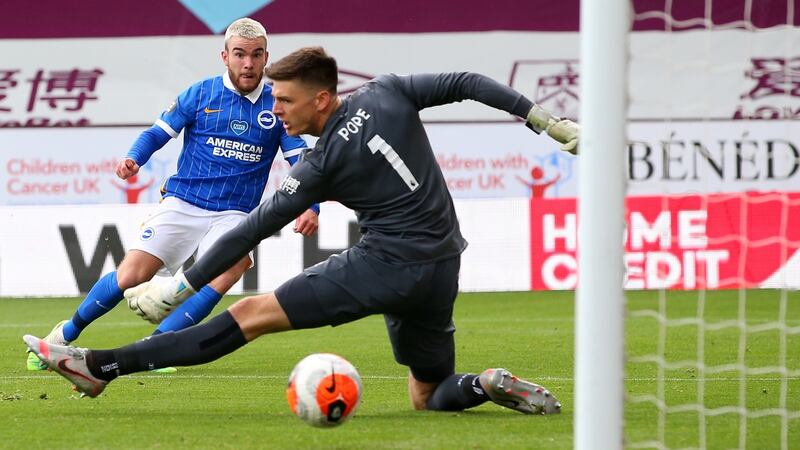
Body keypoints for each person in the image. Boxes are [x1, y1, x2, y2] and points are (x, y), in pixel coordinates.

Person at [25, 47, 579, 415]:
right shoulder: (389, 92)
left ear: (320, 98)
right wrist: (541, 120)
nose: (276, 110)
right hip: (441, 268)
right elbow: (467, 81)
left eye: (285, 100)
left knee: (248, 316)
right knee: (427, 392)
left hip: (384, 266)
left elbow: (254, 229)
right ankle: (484, 385)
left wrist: (180, 286)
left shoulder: (322, 164)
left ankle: (101, 366)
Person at [26, 19, 320, 371]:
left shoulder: (278, 103)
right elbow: (156, 133)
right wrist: (134, 158)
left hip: (234, 213)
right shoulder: (200, 94)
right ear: (225, 56)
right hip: (183, 202)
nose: (248, 63)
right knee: (131, 275)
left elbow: (301, 160)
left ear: (266, 58)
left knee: (236, 264)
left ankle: (156, 348)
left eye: (256, 55)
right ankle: (64, 335)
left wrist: (311, 205)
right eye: (240, 54)